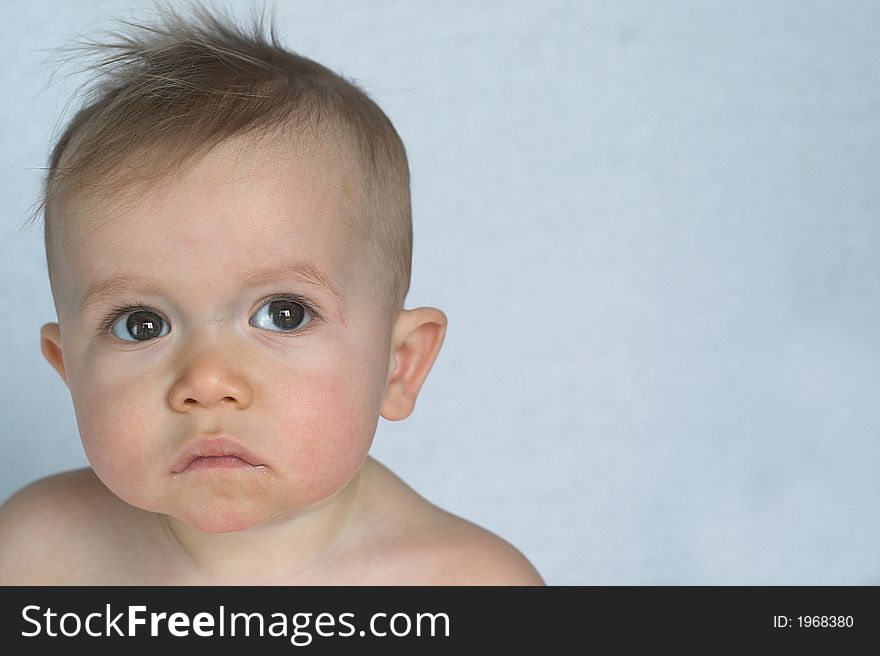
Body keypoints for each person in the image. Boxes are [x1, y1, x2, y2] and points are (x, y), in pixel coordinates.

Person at [0, 4, 543, 585]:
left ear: (399, 365)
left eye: (283, 314)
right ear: (69, 371)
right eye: (141, 324)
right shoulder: (34, 553)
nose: (207, 382)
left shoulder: (470, 586)